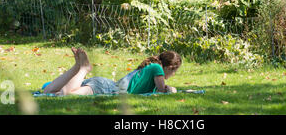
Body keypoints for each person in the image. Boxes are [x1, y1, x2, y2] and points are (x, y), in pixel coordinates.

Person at [42, 48, 182, 96]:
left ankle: (77, 67)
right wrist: (172, 89)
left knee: (48, 92)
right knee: (65, 95)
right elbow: (162, 89)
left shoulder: (150, 66)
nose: (173, 75)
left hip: (104, 84)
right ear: (170, 68)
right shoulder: (157, 68)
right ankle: (84, 68)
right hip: (105, 88)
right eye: (174, 71)